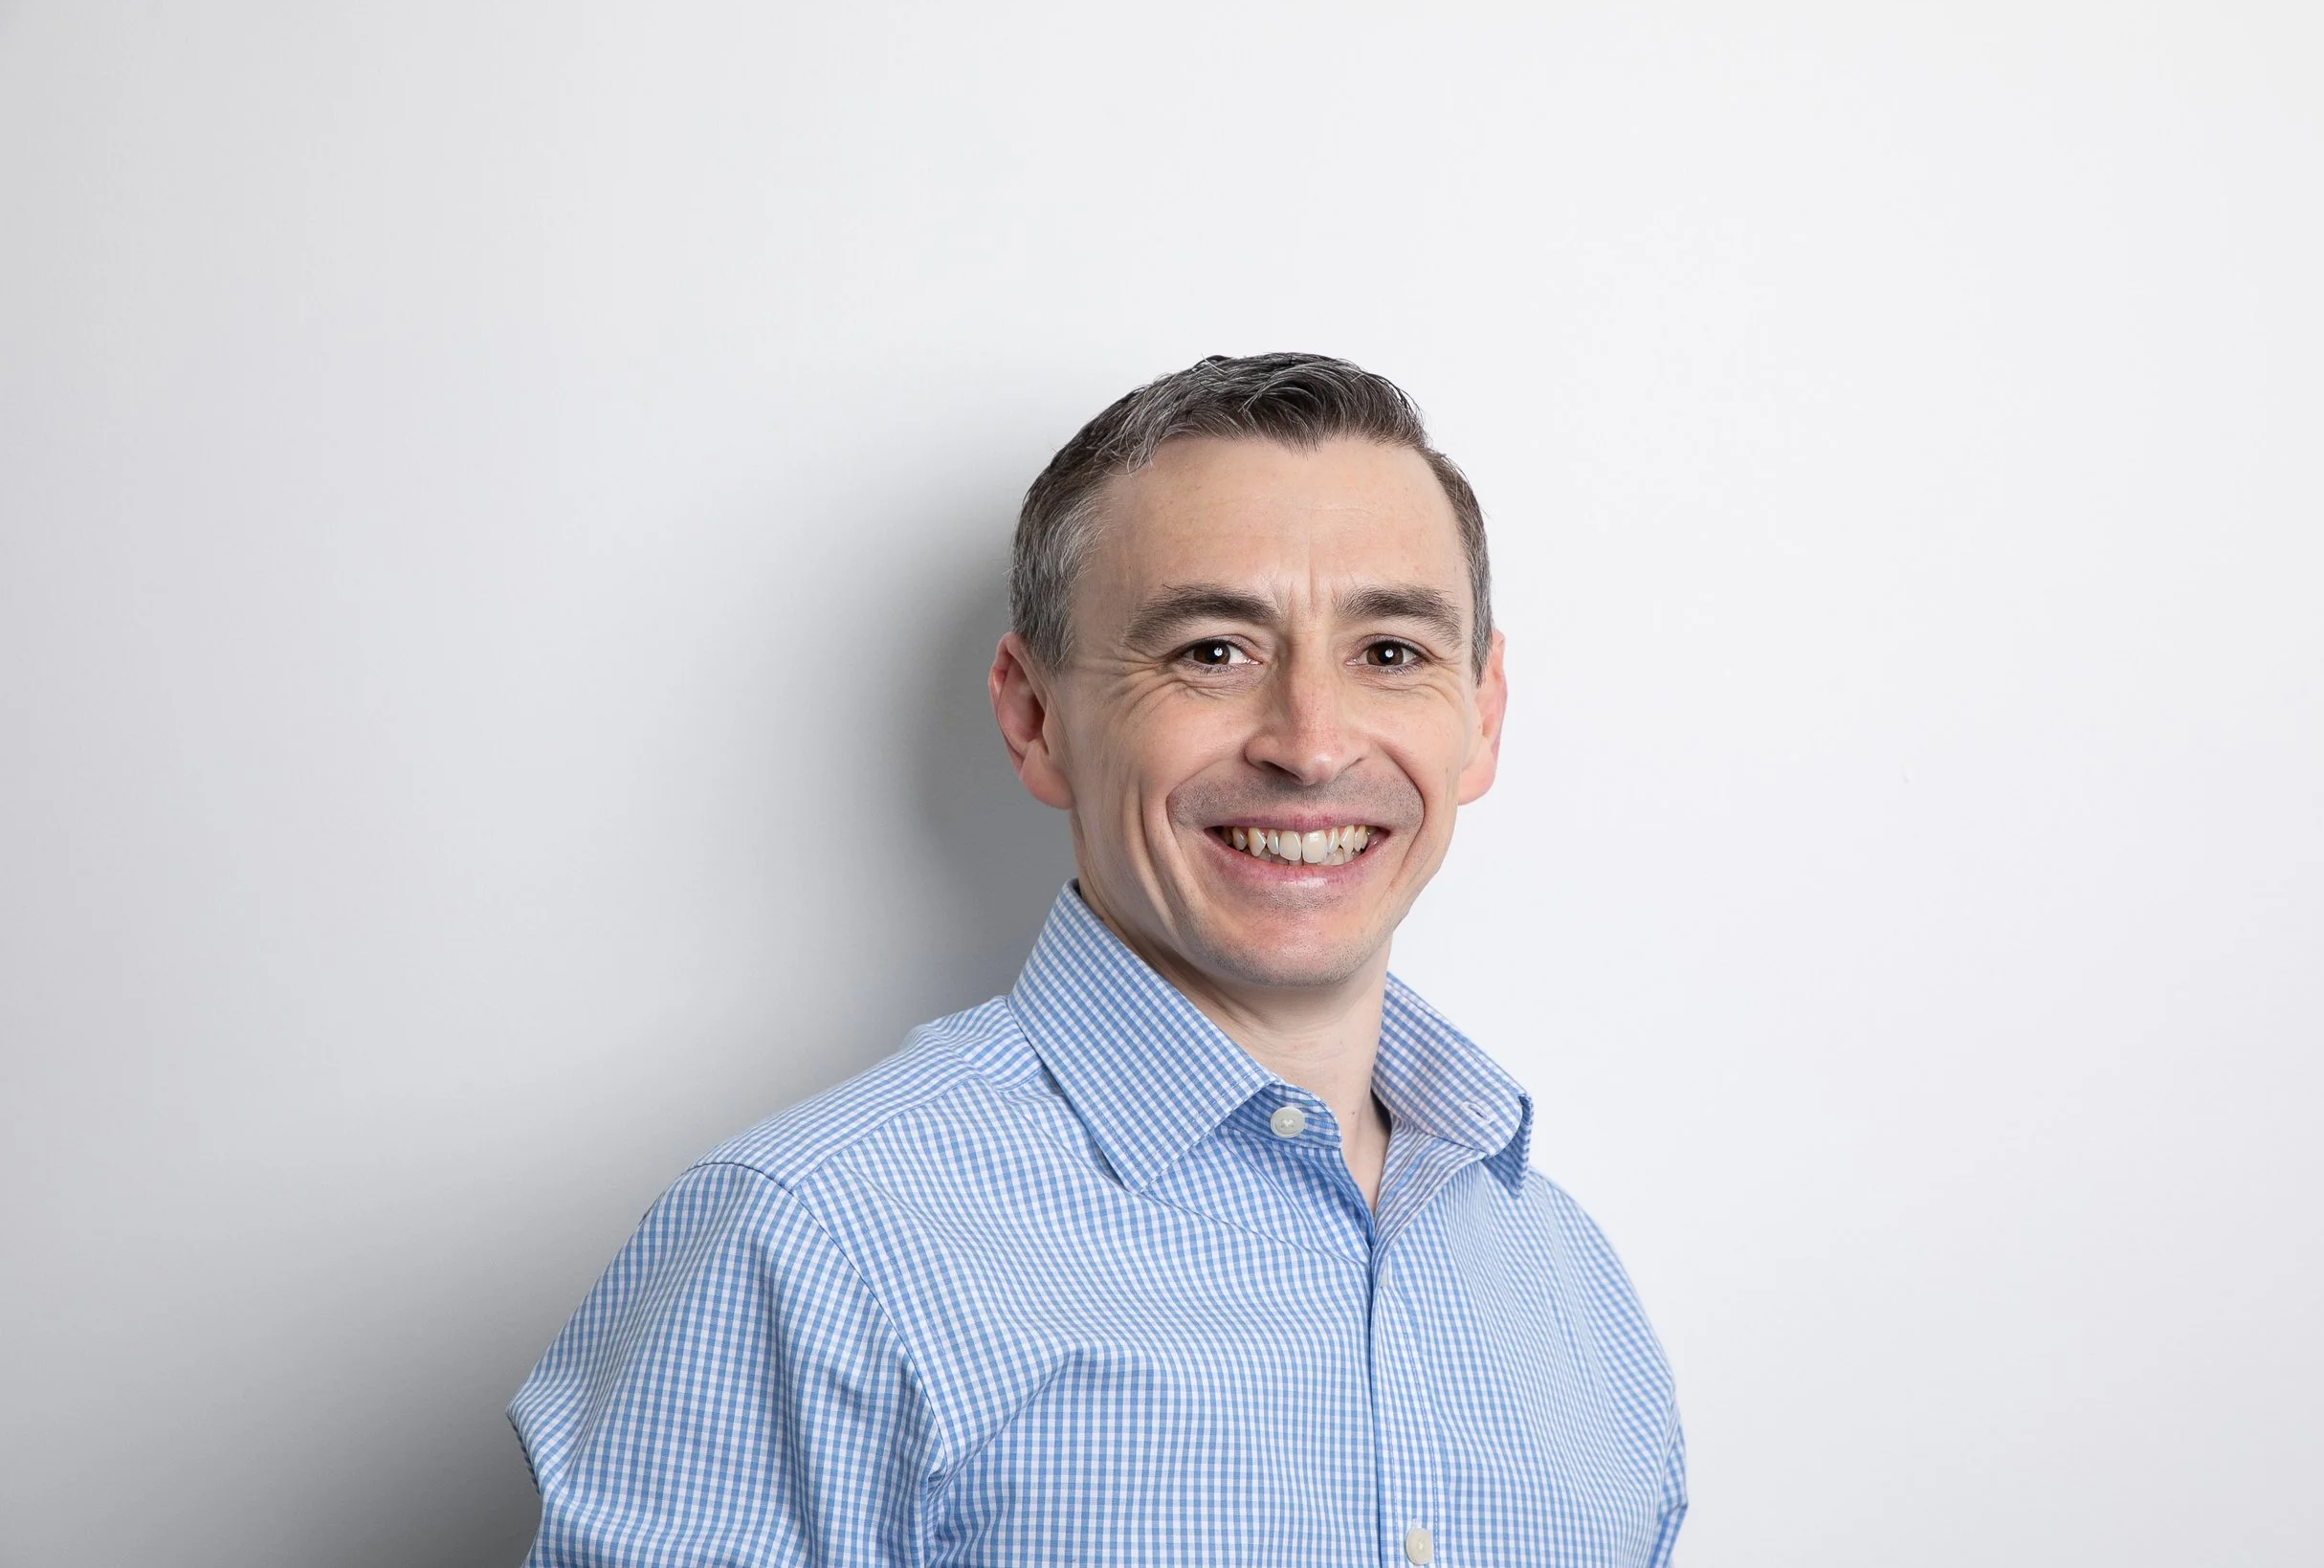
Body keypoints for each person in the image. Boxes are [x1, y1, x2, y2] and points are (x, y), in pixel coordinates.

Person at [508, 353, 1686, 1566]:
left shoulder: (1567, 1283)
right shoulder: (814, 1246)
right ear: (1034, 718)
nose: (1312, 744)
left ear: (1480, 716)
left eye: (1389, 651)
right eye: (1212, 651)